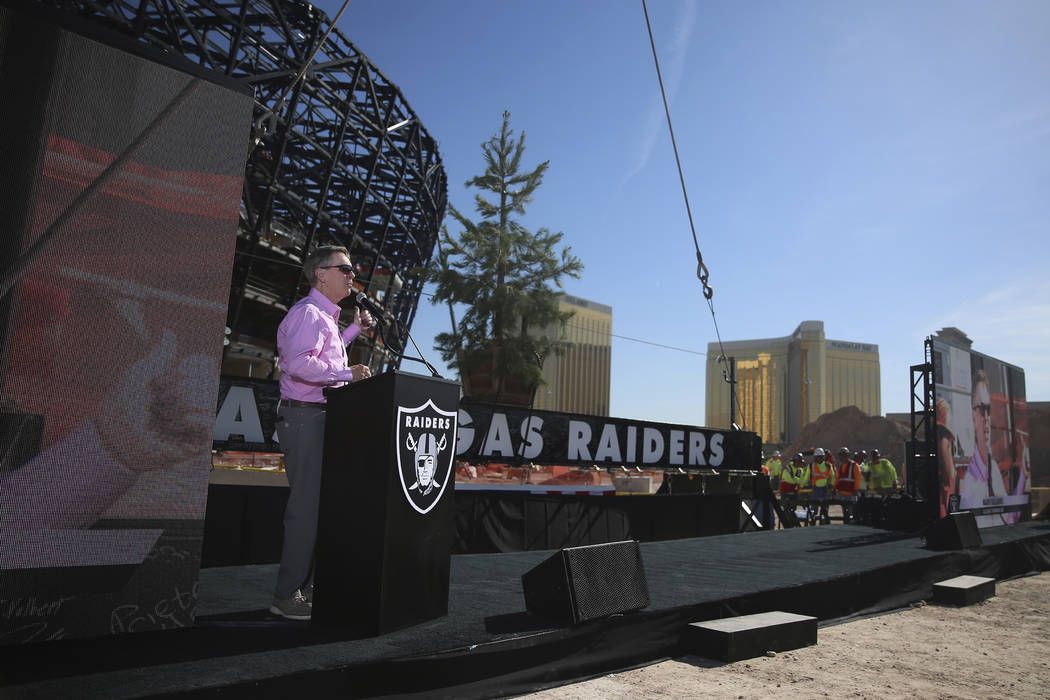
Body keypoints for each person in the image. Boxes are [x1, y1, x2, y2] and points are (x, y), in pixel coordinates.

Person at [270, 245, 374, 620]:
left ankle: (309, 589)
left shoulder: (324, 317)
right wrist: (349, 374)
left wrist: (352, 331)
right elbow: (298, 365)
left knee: (320, 508)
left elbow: (322, 356)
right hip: (306, 419)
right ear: (321, 274)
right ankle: (286, 596)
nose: (352, 275)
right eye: (345, 268)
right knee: (306, 511)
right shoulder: (308, 314)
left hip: (319, 418)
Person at [958, 370, 1027, 527]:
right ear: (972, 415)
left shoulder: (993, 468)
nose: (987, 417)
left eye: (989, 409)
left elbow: (1009, 519)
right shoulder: (970, 482)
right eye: (982, 409)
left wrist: (1024, 475)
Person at [834, 446, 862, 523]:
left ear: (848, 455)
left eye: (844, 455)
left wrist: (856, 489)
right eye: (841, 455)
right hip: (842, 493)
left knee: (851, 512)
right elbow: (837, 478)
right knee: (845, 513)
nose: (842, 457)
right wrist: (835, 488)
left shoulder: (854, 465)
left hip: (851, 493)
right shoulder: (840, 466)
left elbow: (858, 478)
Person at [809, 448, 835, 525]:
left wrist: (831, 484)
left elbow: (832, 476)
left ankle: (824, 521)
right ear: (815, 457)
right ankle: (813, 520)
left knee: (825, 508)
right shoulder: (811, 466)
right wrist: (801, 484)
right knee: (814, 507)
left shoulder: (828, 465)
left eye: (820, 457)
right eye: (817, 457)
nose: (819, 458)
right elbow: (806, 477)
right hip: (816, 489)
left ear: (823, 457)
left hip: (825, 489)